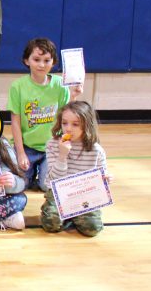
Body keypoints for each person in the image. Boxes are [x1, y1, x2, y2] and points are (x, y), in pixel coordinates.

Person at [8, 38, 83, 191]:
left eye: (46, 60)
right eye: (36, 59)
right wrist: (21, 153)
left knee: (46, 186)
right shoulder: (18, 86)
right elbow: (15, 122)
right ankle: (31, 174)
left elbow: (67, 115)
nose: (42, 65)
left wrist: (74, 96)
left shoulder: (60, 85)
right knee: (22, 185)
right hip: (27, 147)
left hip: (52, 147)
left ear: (53, 62)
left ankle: (41, 174)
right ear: (26, 61)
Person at [41, 101, 108, 237]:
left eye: (75, 124)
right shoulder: (53, 144)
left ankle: (72, 216)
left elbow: (101, 177)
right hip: (58, 192)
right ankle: (70, 215)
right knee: (50, 224)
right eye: (64, 123)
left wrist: (105, 179)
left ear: (87, 125)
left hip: (83, 195)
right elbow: (54, 179)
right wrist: (62, 155)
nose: (68, 128)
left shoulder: (96, 150)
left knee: (92, 229)